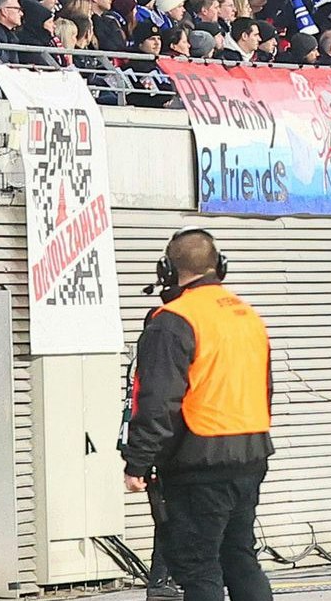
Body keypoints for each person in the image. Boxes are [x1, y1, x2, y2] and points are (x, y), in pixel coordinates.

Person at [122, 229, 272, 601]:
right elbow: (265, 388)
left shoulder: (173, 320)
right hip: (251, 455)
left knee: (198, 567)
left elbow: (157, 401)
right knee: (240, 557)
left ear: (167, 270)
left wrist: (137, 462)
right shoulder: (247, 316)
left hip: (198, 463)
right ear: (219, 266)